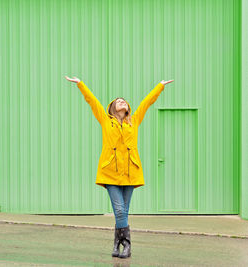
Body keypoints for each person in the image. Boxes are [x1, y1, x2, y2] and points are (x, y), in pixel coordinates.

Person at [64, 76, 173, 258]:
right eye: (118, 101)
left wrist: (159, 86)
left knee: (122, 211)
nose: (121, 102)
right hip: (110, 172)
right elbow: (93, 101)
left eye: (124, 101)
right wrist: (80, 84)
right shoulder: (106, 120)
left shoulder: (134, 121)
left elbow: (147, 102)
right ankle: (126, 245)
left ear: (128, 108)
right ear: (112, 108)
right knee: (120, 210)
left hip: (130, 172)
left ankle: (117, 246)